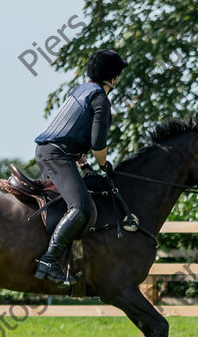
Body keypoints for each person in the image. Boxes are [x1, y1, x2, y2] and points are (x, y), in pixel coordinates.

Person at [33, 49, 128, 284]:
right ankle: (48, 261)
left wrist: (80, 158)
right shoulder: (100, 99)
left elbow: (72, 129)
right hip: (58, 156)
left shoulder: (80, 91)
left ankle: (71, 264)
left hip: (50, 152)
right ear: (114, 78)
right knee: (82, 208)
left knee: (68, 206)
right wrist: (104, 164)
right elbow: (98, 144)